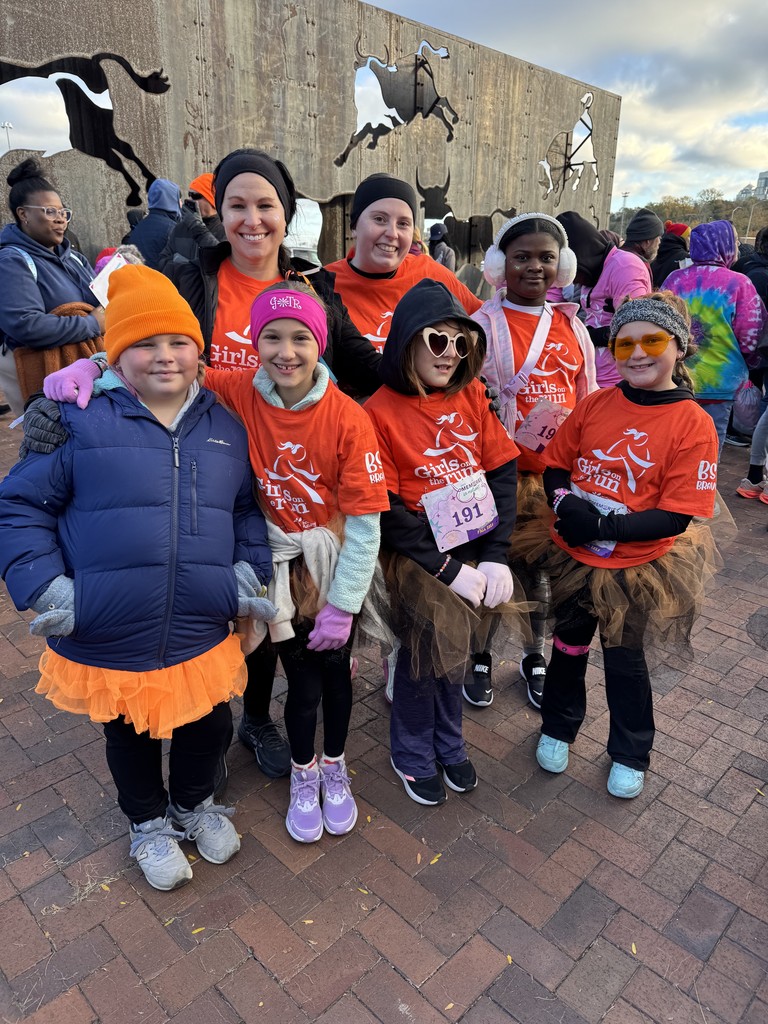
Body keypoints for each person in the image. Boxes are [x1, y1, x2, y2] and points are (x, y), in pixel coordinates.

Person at [0, 265, 275, 891]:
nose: (164, 357)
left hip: (203, 621)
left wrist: (248, 574)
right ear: (114, 354)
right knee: (129, 737)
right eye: (143, 344)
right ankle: (148, 823)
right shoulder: (78, 421)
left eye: (178, 342)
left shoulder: (224, 425)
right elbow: (19, 507)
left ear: (197, 348)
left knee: (208, 725)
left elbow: (244, 510)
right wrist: (47, 588)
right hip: (110, 623)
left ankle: (193, 805)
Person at [167, 148, 383, 779]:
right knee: (233, 606)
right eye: (238, 205)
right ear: (221, 211)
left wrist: (445, 374)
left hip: (291, 482)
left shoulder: (315, 289)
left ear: (286, 216)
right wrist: (88, 372)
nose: (252, 219)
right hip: (210, 472)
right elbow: (146, 347)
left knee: (275, 603)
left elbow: (368, 369)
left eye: (266, 206)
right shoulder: (191, 279)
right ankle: (229, 721)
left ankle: (261, 719)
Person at [205, 283, 389, 840]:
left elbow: (365, 524)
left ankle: (336, 767)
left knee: (336, 676)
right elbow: (171, 367)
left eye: (301, 338)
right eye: (273, 337)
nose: (286, 351)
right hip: (276, 564)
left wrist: (343, 604)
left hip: (330, 567)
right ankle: (304, 773)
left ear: (321, 344)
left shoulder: (348, 418)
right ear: (255, 343)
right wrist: (95, 368)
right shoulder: (241, 390)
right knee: (300, 683)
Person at [521, 292, 719, 799]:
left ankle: (630, 749)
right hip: (573, 554)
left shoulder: (692, 423)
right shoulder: (595, 403)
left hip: (635, 563)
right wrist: (566, 506)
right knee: (567, 646)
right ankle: (559, 724)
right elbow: (558, 464)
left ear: (678, 347)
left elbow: (677, 512)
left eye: (651, 341)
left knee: (624, 658)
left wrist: (605, 529)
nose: (635, 354)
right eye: (622, 343)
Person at [365, 279, 527, 805]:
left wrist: (497, 555)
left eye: (461, 343)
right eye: (437, 340)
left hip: (472, 546)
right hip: (417, 555)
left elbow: (502, 470)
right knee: (421, 657)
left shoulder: (472, 396)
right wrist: (445, 569)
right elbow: (386, 507)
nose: (450, 354)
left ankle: (449, 740)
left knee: (455, 653)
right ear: (408, 340)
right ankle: (412, 750)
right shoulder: (379, 411)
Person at [472, 213, 597, 709]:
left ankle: (534, 655)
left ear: (561, 265)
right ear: (502, 264)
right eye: (522, 257)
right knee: (489, 569)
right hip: (496, 476)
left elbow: (589, 398)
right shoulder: (481, 325)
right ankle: (479, 655)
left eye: (547, 257)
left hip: (554, 478)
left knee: (543, 576)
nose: (535, 267)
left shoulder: (573, 327)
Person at [321, 173, 480, 353]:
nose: (392, 233)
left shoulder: (431, 274)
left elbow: (488, 321)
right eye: (379, 219)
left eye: (403, 223)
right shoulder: (323, 285)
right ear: (354, 226)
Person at [0, 158, 102, 417]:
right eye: (50, 212)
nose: (60, 220)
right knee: (50, 442)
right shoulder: (12, 261)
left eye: (63, 212)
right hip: (39, 371)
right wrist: (93, 324)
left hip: (80, 367)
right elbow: (26, 326)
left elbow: (98, 300)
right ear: (23, 214)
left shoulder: (74, 257)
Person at [663, 220, 766, 456]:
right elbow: (751, 337)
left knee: (671, 444)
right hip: (721, 382)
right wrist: (747, 365)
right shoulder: (740, 283)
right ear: (726, 246)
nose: (738, 248)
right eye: (736, 242)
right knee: (708, 450)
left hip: (675, 377)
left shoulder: (674, 280)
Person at [557, 211, 653, 388]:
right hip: (593, 377)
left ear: (581, 257)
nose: (572, 280)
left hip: (619, 382)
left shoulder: (624, 268)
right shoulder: (594, 271)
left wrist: (590, 335)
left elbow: (638, 328)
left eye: (573, 273)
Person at [157, 172, 225, 273]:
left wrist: (197, 226)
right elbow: (162, 261)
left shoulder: (226, 229)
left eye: (195, 195)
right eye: (189, 195)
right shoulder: (180, 228)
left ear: (211, 199)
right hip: (181, 287)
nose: (189, 199)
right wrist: (183, 264)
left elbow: (223, 263)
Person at [125, 178, 182, 269]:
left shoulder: (138, 227)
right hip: (162, 281)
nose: (181, 203)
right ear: (171, 200)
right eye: (179, 199)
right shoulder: (173, 229)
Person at [651, 222, 691, 288]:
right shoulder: (685, 259)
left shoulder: (654, 259)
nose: (691, 240)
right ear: (681, 237)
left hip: (656, 297)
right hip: (677, 297)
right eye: (688, 236)